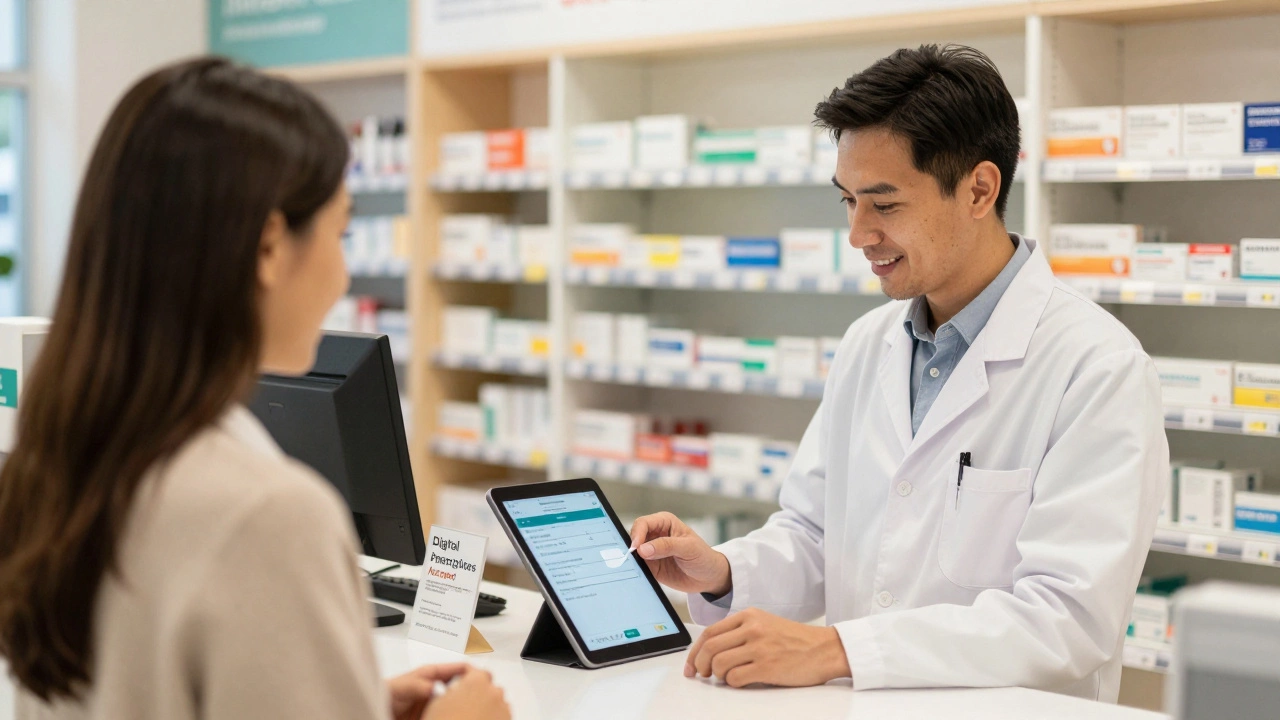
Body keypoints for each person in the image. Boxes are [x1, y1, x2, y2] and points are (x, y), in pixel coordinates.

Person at [629, 44, 1168, 702]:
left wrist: (837, 647)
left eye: (883, 205)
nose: (858, 234)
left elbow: (1066, 620)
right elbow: (814, 533)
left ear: (979, 189)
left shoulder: (1096, 368)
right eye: (848, 200)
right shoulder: (868, 343)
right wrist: (720, 572)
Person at [0, 58, 509, 720]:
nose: (343, 274)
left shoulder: (51, 465)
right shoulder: (269, 515)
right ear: (269, 245)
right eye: (340, 232)